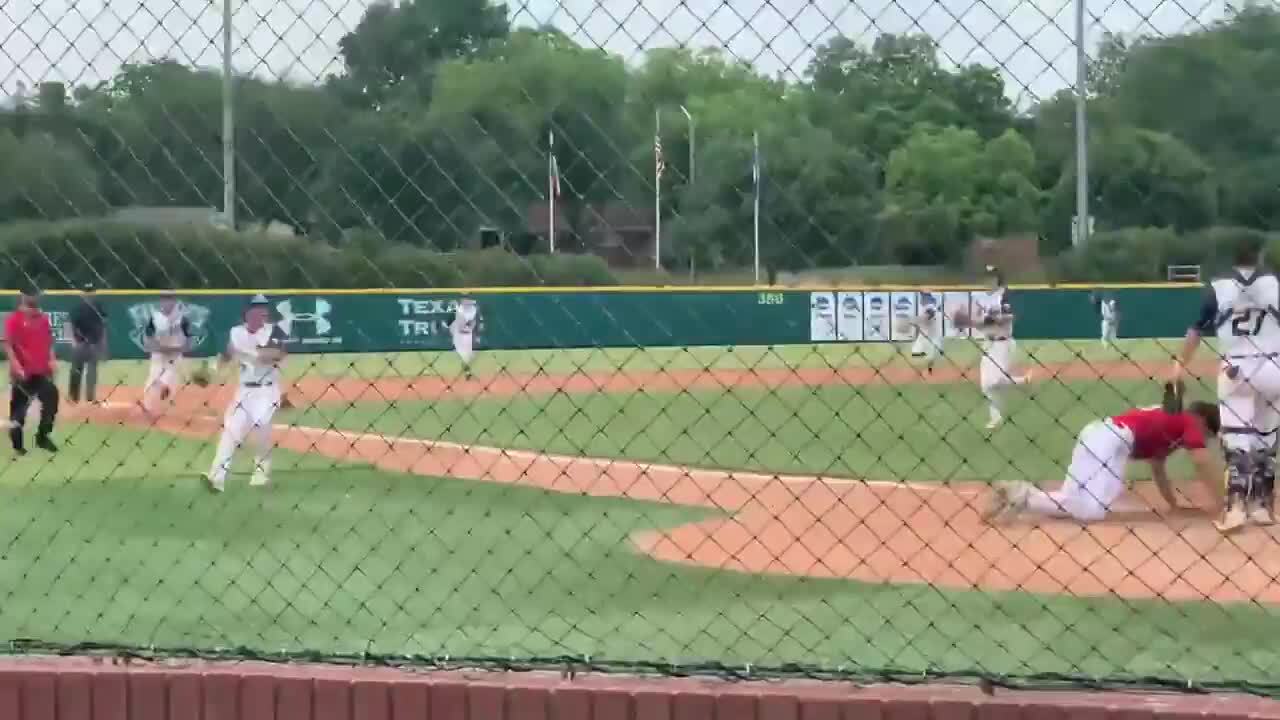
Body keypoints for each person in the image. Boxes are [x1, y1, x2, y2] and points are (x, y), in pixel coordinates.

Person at [1169, 229, 1280, 532]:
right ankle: (1263, 507)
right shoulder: (1275, 283)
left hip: (1236, 371)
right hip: (1274, 368)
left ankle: (1236, 509)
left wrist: (1179, 364)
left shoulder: (1218, 287)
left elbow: (1196, 330)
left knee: (1237, 441)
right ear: (1260, 255)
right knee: (1266, 439)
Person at [983, 401, 1222, 524]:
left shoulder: (1173, 424)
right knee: (1092, 510)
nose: (1204, 439)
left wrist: (1174, 505)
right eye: (1208, 433)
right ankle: (1022, 494)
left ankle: (1021, 497)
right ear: (1203, 420)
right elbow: (1201, 461)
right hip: (1113, 441)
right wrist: (1223, 504)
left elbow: (1158, 468)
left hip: (1097, 433)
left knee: (1072, 500)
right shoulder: (1189, 419)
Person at [202, 294, 288, 492]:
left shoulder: (274, 330)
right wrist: (212, 370)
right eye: (257, 308)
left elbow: (276, 354)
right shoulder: (236, 332)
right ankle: (216, 479)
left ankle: (261, 475)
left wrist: (247, 352)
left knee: (262, 432)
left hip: (268, 390)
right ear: (247, 312)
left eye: (264, 308)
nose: (262, 312)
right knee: (231, 431)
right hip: (244, 391)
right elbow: (228, 354)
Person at [972, 266, 1033, 430]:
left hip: (1003, 343)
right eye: (986, 277)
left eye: (991, 278)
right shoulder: (984, 297)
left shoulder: (1005, 295)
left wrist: (993, 319)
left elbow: (1011, 316)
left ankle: (1022, 381)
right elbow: (979, 321)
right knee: (986, 384)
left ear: (998, 279)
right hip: (988, 343)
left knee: (995, 381)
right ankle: (996, 417)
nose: (987, 281)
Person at [5, 289, 59, 454]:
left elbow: (49, 342)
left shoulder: (43, 319)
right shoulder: (14, 319)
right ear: (23, 297)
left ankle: (42, 436)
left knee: (51, 399)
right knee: (19, 410)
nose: (34, 298)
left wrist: (52, 359)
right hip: (22, 373)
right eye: (31, 295)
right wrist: (15, 365)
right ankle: (18, 445)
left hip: (41, 371)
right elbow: (8, 344)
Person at [141, 291, 192, 415]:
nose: (167, 302)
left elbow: (188, 340)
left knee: (169, 375)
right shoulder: (155, 318)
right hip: (159, 354)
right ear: (161, 301)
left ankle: (165, 387)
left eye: (170, 299)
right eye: (164, 299)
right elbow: (148, 338)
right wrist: (155, 346)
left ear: (174, 301)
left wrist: (180, 348)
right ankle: (148, 406)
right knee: (153, 378)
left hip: (174, 354)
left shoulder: (182, 319)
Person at [67, 283, 107, 404]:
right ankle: (73, 397)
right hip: (80, 343)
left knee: (92, 371)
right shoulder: (78, 308)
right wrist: (73, 341)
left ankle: (90, 397)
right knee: (76, 371)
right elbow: (70, 325)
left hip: (94, 343)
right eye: (87, 292)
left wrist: (103, 342)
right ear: (83, 294)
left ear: (94, 293)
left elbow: (103, 325)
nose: (89, 294)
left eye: (91, 292)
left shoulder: (99, 307)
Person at [907, 291, 943, 374]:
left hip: (931, 335)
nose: (921, 299)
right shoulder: (929, 306)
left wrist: (914, 321)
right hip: (925, 334)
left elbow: (927, 316)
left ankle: (929, 370)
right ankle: (928, 367)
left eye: (923, 297)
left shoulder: (929, 306)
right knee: (916, 353)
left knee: (928, 355)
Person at [450, 297, 479, 379]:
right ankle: (467, 371)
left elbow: (473, 322)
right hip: (460, 335)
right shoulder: (460, 310)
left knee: (468, 355)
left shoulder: (473, 309)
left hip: (468, 335)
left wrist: (470, 328)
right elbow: (458, 325)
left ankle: (467, 371)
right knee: (463, 354)